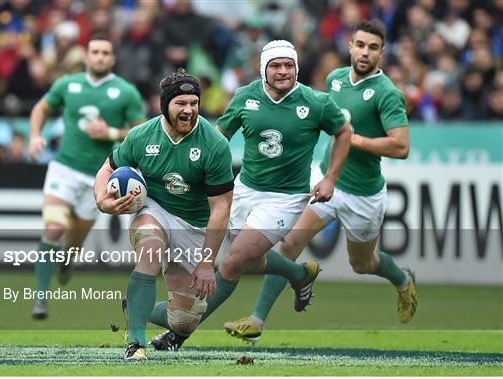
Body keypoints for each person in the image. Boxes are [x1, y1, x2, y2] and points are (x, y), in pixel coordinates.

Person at [147, 39, 352, 351]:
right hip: (245, 189)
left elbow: (343, 131)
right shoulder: (246, 96)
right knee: (248, 262)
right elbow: (219, 138)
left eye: (289, 65)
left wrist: (330, 178)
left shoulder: (316, 102)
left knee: (231, 263)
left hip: (285, 198)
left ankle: (180, 332)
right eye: (276, 66)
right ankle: (299, 274)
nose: (283, 71)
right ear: (263, 69)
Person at [223, 19, 418, 343]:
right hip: (327, 181)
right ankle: (256, 321)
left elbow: (401, 146)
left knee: (362, 263)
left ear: (382, 53)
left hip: (363, 193)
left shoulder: (386, 94)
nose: (365, 52)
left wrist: (354, 140)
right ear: (350, 46)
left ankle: (401, 279)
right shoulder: (335, 79)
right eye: (360, 45)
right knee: (289, 244)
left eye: (373, 47)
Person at [94, 69, 235, 360]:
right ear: (165, 105)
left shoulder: (215, 145)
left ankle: (135, 306)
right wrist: (102, 201)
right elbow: (107, 168)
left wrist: (207, 262)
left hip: (194, 226)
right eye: (180, 103)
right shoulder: (141, 136)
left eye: (194, 103)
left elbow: (221, 209)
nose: (189, 110)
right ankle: (135, 344)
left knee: (184, 321)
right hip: (154, 209)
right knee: (149, 246)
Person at [27, 34, 145, 320]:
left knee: (72, 243)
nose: (100, 57)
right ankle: (40, 298)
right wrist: (34, 137)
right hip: (63, 168)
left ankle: (66, 261)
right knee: (53, 228)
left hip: (98, 178)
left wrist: (112, 134)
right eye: (95, 52)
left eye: (105, 52)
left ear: (112, 58)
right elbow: (41, 108)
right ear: (87, 56)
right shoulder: (68, 84)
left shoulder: (125, 92)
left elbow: (142, 132)